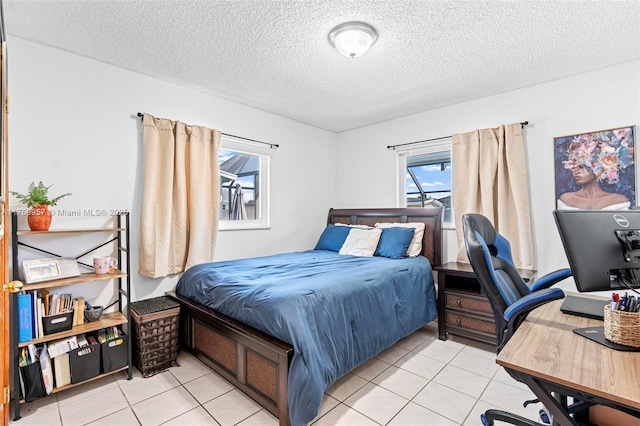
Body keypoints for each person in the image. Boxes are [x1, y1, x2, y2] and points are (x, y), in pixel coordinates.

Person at [557, 129, 634, 210]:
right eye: (574, 166)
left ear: (600, 166)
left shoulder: (618, 200)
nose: (576, 171)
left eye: (582, 166)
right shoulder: (567, 199)